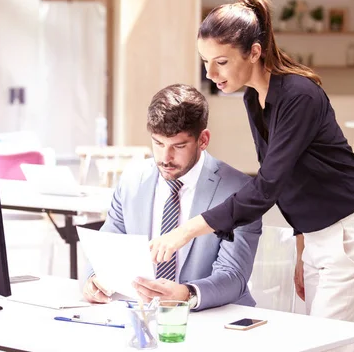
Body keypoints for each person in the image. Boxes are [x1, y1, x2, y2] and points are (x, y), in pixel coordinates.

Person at [149, 0, 354, 349]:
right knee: (316, 341)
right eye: (205, 61)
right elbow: (286, 178)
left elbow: (267, 187)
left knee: (325, 345)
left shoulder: (299, 95)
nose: (210, 74)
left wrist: (186, 230)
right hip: (318, 236)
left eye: (221, 62)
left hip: (350, 235)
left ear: (255, 52)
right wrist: (302, 248)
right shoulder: (253, 98)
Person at [83, 84, 262, 311]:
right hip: (140, 315)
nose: (165, 158)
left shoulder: (239, 191)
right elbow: (107, 246)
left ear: (203, 140)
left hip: (215, 318)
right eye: (158, 143)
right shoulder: (131, 180)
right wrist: (94, 280)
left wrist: (187, 294)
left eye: (178, 146)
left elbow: (234, 275)